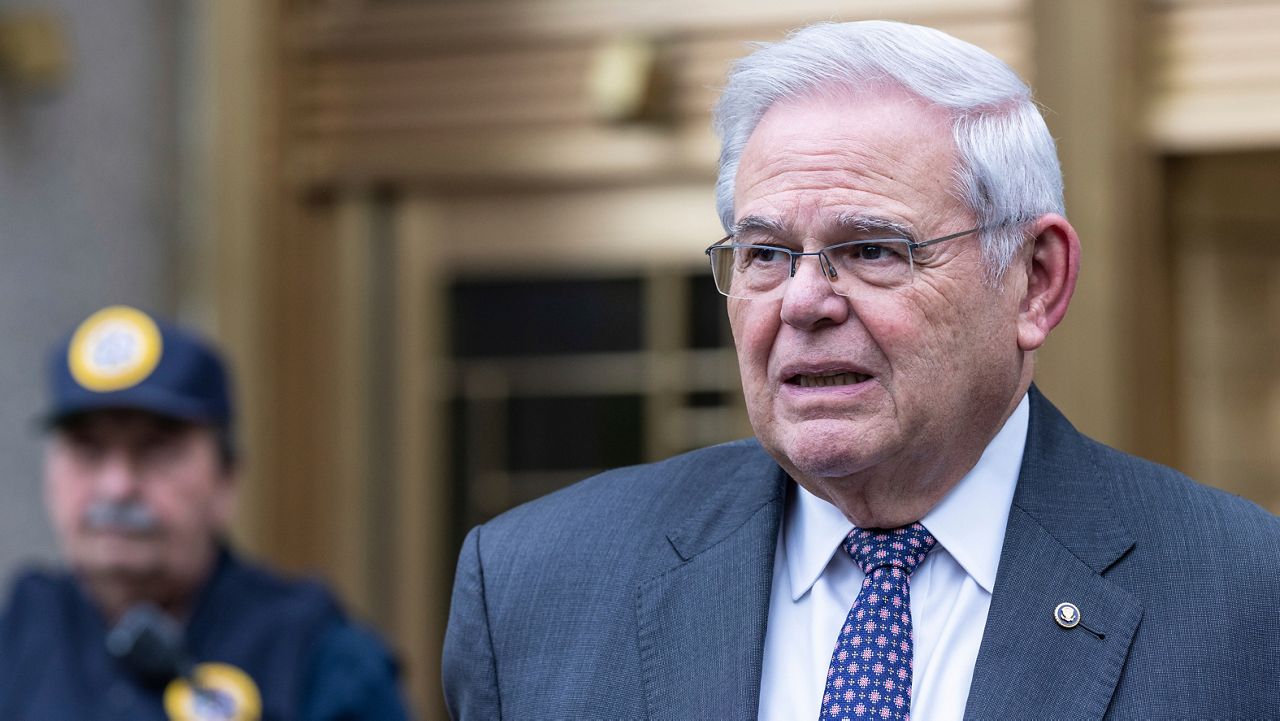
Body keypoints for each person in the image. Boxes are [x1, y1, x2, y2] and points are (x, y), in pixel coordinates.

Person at [442, 20, 1280, 720]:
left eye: (873, 249)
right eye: (766, 253)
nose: (805, 302)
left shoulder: (1244, 600)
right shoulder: (535, 588)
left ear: (1036, 280)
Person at [0, 305, 412, 721]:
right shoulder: (17, 634)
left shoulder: (317, 654)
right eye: (88, 450)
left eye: (155, 450)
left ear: (226, 479)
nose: (117, 487)